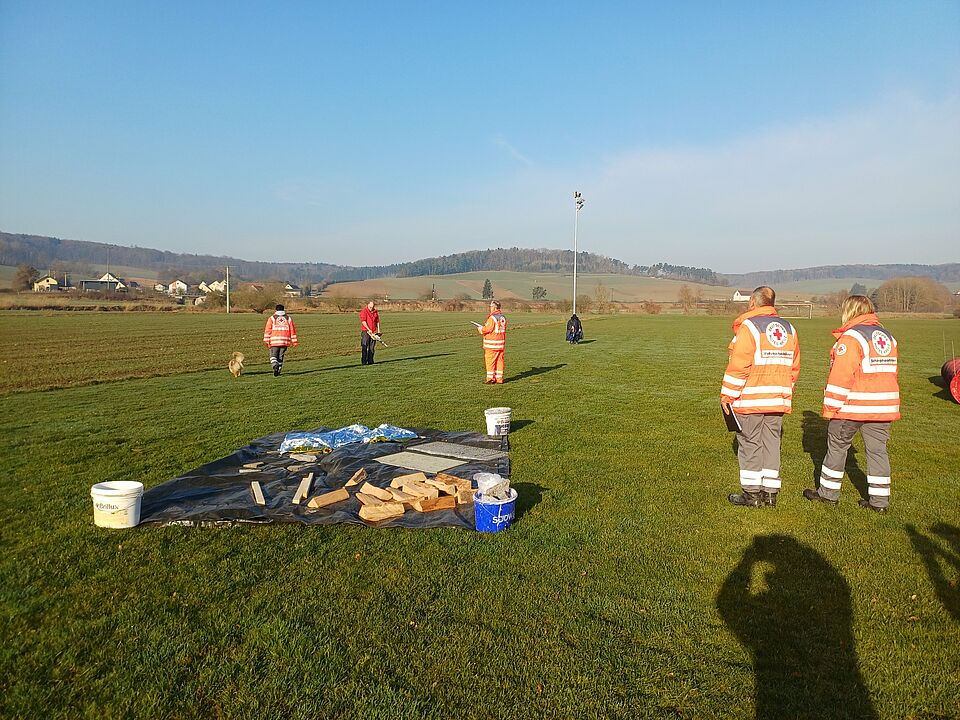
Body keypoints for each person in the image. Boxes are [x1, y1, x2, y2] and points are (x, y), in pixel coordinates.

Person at [803, 295, 899, 513]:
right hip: (884, 407)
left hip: (854, 405)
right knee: (878, 452)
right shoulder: (887, 336)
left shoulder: (851, 338)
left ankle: (828, 494)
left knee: (837, 447)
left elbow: (841, 375)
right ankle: (879, 502)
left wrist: (830, 407)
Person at [720, 286, 801, 507]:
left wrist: (727, 395)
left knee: (749, 443)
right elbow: (794, 368)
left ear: (752, 303)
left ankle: (751, 494)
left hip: (752, 398)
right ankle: (770, 493)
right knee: (772, 443)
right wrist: (786, 391)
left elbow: (739, 365)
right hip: (777, 399)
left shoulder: (749, 327)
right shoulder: (789, 329)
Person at [262, 304, 298, 376]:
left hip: (274, 341)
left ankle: (275, 365)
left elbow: (268, 330)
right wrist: (294, 341)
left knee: (273, 355)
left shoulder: (272, 318)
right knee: (280, 356)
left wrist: (266, 340)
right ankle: (278, 371)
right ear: (283, 309)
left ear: (276, 310)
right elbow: (292, 330)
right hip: (285, 341)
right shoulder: (288, 318)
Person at [478, 300, 506, 384]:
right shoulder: (502, 317)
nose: (490, 308)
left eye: (490, 306)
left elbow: (488, 329)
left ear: (494, 307)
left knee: (490, 361)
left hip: (492, 344)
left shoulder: (492, 318)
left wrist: (480, 329)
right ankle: (499, 379)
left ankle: (490, 379)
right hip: (500, 344)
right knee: (499, 361)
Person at [359, 300, 381, 365]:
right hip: (366, 332)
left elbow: (377, 321)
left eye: (373, 307)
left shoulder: (375, 312)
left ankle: (370, 361)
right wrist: (368, 329)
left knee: (372, 347)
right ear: (368, 305)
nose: (371, 308)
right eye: (370, 307)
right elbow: (363, 321)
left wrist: (378, 330)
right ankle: (364, 362)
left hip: (373, 332)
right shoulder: (364, 311)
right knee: (365, 347)